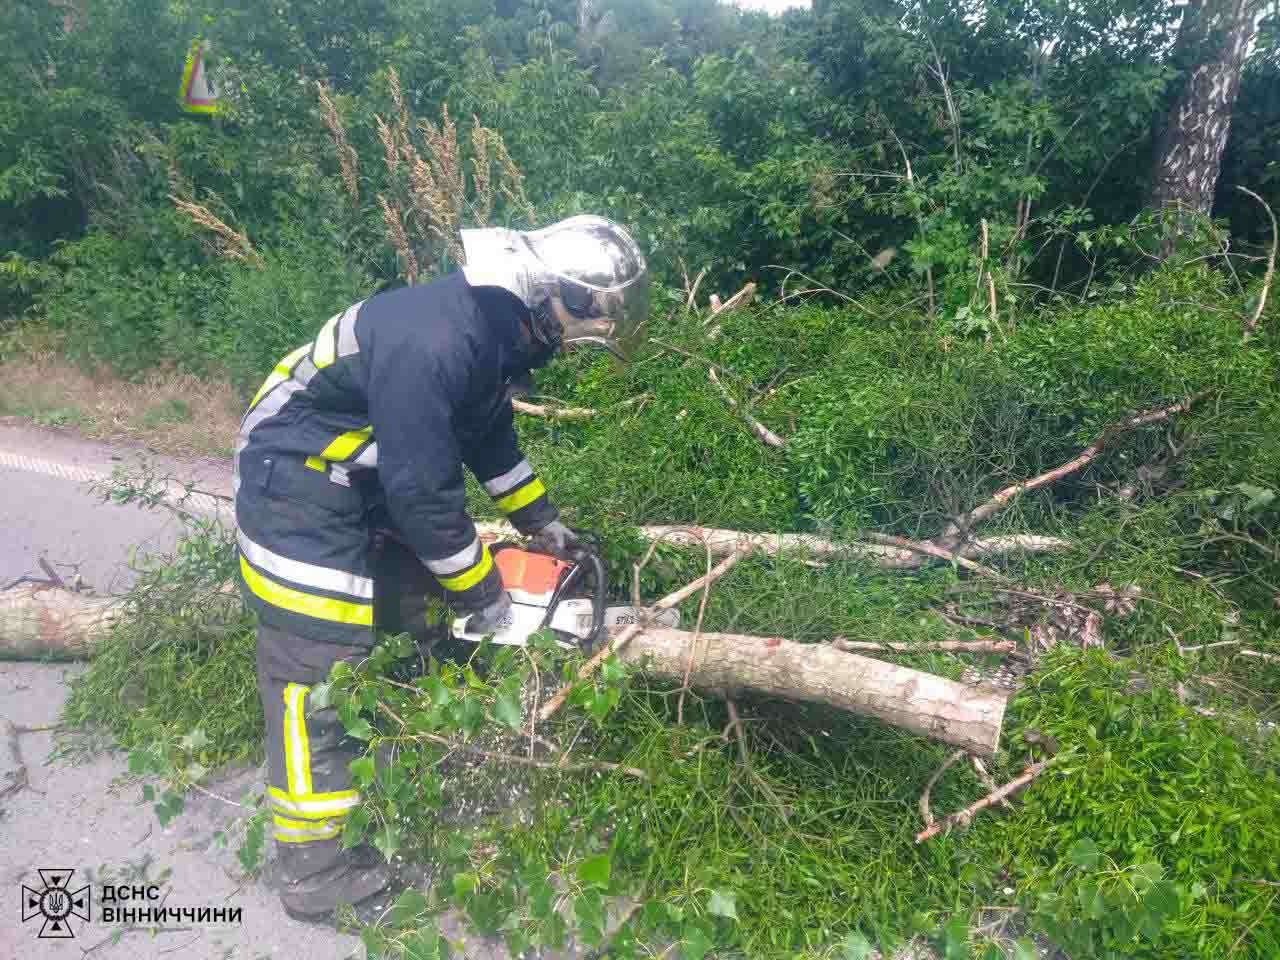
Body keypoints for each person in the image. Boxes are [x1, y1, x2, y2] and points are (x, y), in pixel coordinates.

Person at [232, 215, 649, 923]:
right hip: (296, 482)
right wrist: (485, 593)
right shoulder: (436, 340)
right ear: (548, 297)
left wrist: (544, 527)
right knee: (317, 664)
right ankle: (314, 867)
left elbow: (491, 447)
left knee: (418, 608)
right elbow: (423, 494)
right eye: (585, 318)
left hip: (353, 483)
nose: (582, 338)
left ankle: (400, 743)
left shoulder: (484, 341)